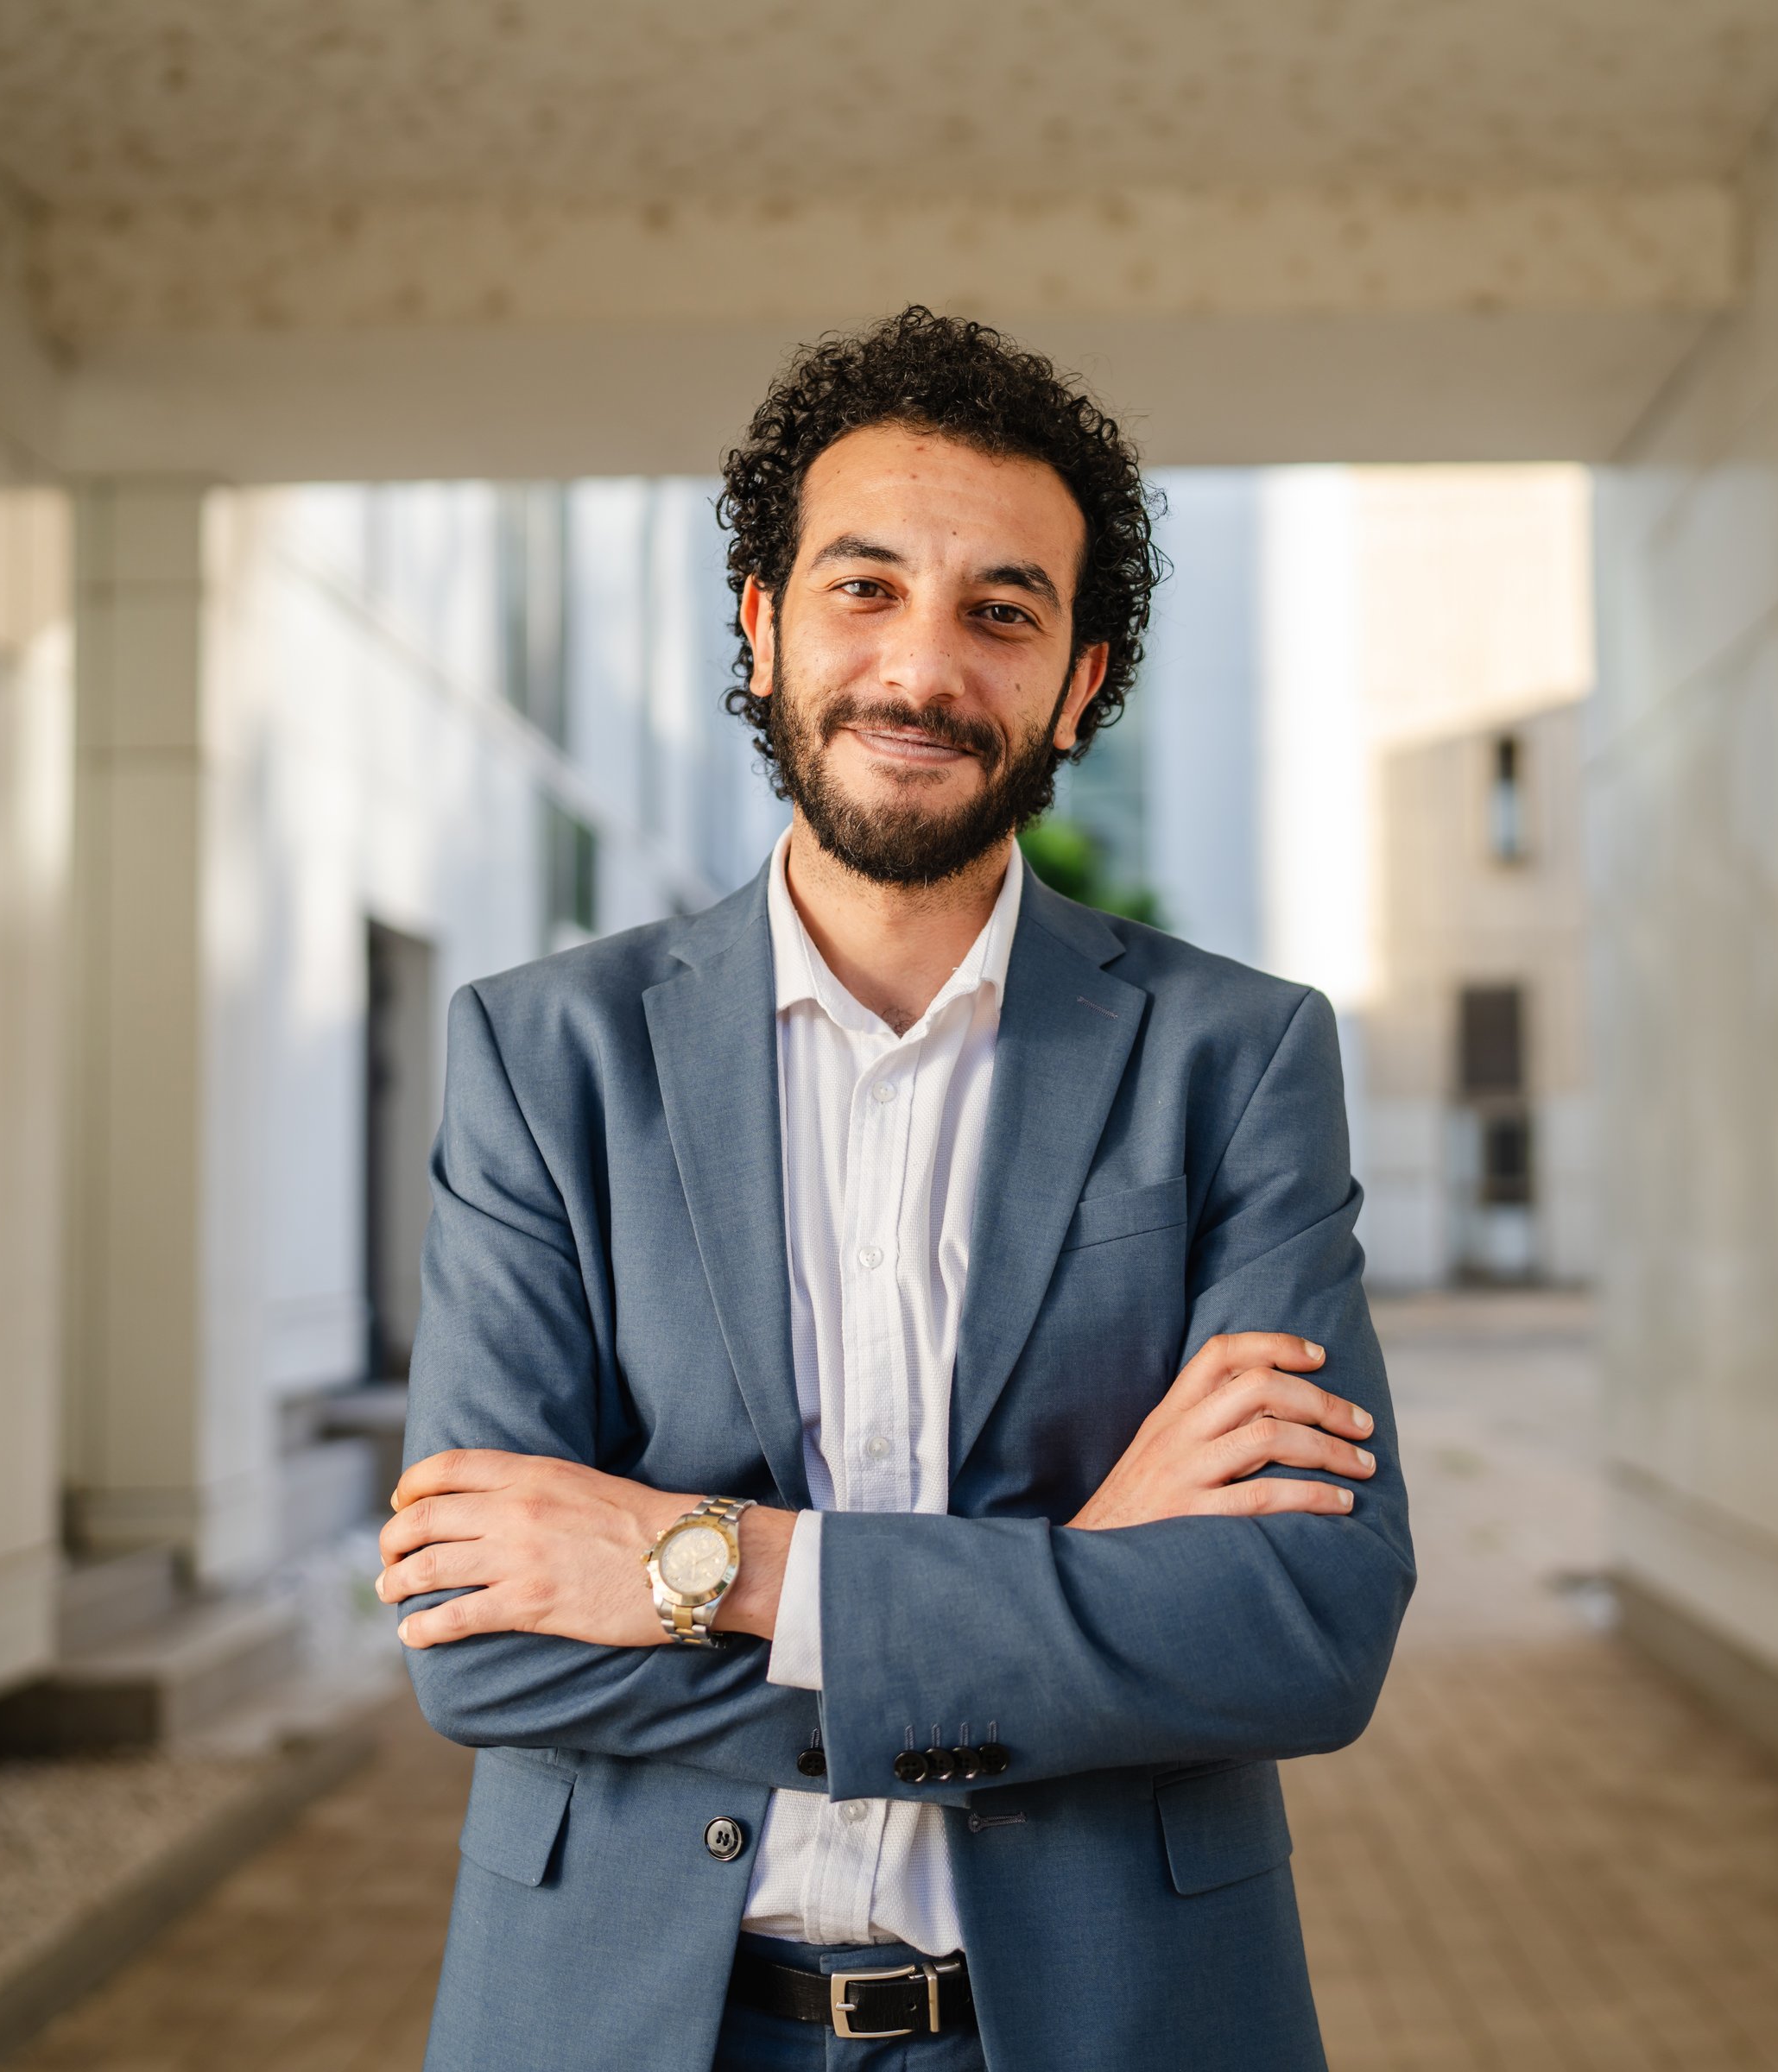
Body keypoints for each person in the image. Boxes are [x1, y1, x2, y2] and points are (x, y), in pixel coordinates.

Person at [377, 307, 1414, 2072]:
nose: (923, 669)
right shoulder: (547, 1063)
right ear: (766, 625)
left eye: (1002, 612)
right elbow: (483, 1647)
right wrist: (1077, 1583)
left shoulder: (1235, 1062)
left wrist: (724, 1564)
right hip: (629, 2023)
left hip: (1112, 2024)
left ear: (1080, 680)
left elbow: (1299, 1632)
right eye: (865, 589)